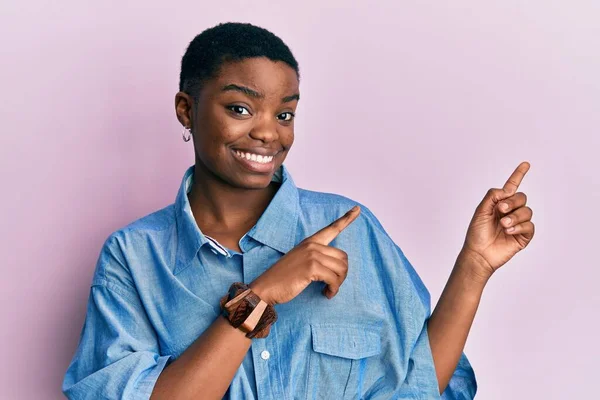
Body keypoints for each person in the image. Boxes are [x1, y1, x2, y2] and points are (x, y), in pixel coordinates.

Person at [62, 22, 535, 399]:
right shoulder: (134, 258)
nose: (269, 133)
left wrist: (474, 266)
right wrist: (261, 296)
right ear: (187, 110)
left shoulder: (351, 228)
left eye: (284, 114)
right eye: (241, 109)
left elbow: (418, 382)